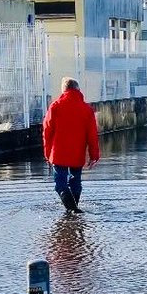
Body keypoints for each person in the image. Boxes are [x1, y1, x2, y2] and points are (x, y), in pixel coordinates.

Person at [42, 77, 100, 212]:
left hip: (58, 153)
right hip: (77, 152)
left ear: (64, 90)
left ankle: (72, 210)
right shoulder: (87, 109)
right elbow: (92, 135)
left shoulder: (55, 106)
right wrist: (94, 155)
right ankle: (74, 209)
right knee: (75, 182)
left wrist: (47, 153)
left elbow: (46, 131)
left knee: (60, 184)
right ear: (78, 89)